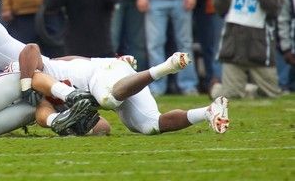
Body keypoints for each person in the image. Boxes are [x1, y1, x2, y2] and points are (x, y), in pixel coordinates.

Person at [25, 44, 231, 135]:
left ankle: (166, 66)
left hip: (105, 72)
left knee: (107, 99)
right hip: (117, 82)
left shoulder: (43, 69)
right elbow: (103, 128)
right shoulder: (44, 103)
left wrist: (115, 61)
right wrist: (74, 127)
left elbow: (30, 48)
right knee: (150, 126)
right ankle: (208, 112)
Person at [213, 0, 284, 99]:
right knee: (230, 96)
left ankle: (247, 89)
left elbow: (273, 8)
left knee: (271, 94)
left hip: (259, 48)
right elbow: (219, 7)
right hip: (233, 48)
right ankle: (217, 89)